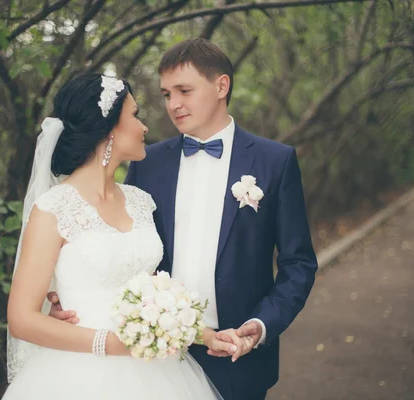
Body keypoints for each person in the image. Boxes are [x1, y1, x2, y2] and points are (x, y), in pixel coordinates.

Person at [50, 39, 318, 400]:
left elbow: (298, 263)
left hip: (240, 357)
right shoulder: (148, 164)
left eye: (184, 91)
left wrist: (260, 325)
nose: (173, 104)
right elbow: (116, 245)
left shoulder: (275, 162)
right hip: (154, 357)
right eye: (165, 94)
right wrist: (68, 298)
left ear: (221, 86)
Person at [3, 73, 226, 399]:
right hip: (78, 375)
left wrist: (204, 334)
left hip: (160, 374)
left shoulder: (140, 201)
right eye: (134, 115)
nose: (144, 127)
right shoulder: (53, 209)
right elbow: (21, 319)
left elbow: (152, 302)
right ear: (107, 129)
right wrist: (108, 344)